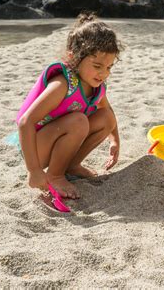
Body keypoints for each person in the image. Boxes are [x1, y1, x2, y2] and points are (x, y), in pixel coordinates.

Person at [14, 13, 122, 199]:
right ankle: (55, 175)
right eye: (97, 66)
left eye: (109, 67)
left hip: (59, 138)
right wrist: (34, 170)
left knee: (106, 118)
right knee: (78, 121)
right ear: (74, 58)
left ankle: (70, 166)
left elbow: (108, 112)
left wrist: (115, 141)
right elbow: (26, 122)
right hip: (34, 148)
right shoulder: (62, 84)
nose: (104, 73)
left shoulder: (97, 86)